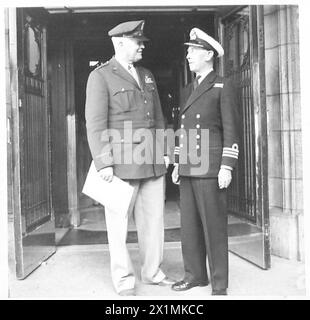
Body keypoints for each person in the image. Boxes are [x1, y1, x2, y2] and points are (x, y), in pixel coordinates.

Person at [85, 20, 174, 296]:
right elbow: (95, 123)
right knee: (118, 228)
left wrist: (166, 150)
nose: (142, 47)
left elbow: (159, 117)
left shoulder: (146, 74)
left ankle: (152, 272)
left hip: (151, 162)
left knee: (153, 224)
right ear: (120, 43)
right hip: (120, 166)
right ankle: (124, 280)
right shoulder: (100, 76)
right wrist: (104, 162)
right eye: (138, 42)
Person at [171, 28, 240, 295]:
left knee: (213, 228)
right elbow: (184, 129)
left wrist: (227, 166)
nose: (188, 55)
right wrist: (178, 163)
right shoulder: (189, 88)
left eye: (193, 51)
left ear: (209, 55)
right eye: (188, 51)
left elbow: (231, 129)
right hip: (190, 166)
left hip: (211, 169)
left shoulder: (223, 85)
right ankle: (195, 276)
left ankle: (219, 284)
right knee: (189, 227)